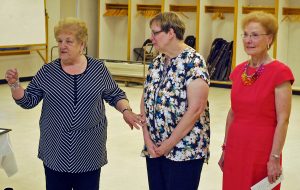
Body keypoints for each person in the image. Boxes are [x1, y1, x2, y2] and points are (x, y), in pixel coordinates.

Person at [5, 17, 142, 190]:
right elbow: (28, 101)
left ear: (82, 44)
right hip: (56, 148)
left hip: (89, 148)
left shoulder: (98, 69)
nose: (62, 46)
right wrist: (15, 85)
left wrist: (126, 111)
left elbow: (114, 94)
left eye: (69, 41)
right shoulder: (48, 71)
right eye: (60, 41)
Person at [218, 11, 294, 190]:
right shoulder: (238, 71)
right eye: (245, 34)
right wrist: (225, 148)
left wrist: (274, 158)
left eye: (254, 35)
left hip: (262, 149)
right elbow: (232, 113)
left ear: (269, 39)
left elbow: (283, 120)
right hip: (236, 146)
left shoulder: (280, 73)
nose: (248, 40)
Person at [140, 12, 210, 190]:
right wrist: (147, 138)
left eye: (155, 33)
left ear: (171, 32)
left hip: (184, 151)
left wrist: (168, 145)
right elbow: (145, 99)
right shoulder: (156, 62)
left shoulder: (193, 62)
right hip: (155, 148)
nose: (151, 38)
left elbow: (196, 109)